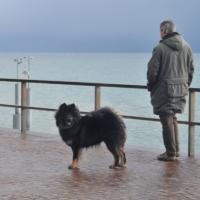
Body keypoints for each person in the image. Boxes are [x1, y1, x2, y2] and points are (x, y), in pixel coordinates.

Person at [147, 20, 194, 161]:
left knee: (166, 120)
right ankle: (175, 150)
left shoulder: (160, 48)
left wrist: (152, 85)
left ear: (164, 31)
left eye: (160, 30)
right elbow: (191, 70)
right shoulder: (187, 47)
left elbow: (152, 71)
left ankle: (170, 153)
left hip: (165, 89)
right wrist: (185, 84)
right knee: (172, 118)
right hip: (181, 88)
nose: (160, 33)